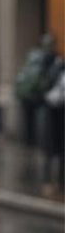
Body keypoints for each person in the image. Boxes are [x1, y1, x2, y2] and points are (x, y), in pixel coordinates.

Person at [14, 34, 61, 146]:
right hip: (39, 93)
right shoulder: (49, 56)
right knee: (46, 122)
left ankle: (29, 141)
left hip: (28, 93)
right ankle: (40, 142)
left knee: (29, 119)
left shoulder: (32, 55)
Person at [41, 54, 65, 196]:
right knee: (52, 151)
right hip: (54, 115)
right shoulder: (52, 67)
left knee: (58, 151)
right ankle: (50, 182)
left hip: (56, 115)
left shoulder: (53, 67)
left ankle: (58, 183)